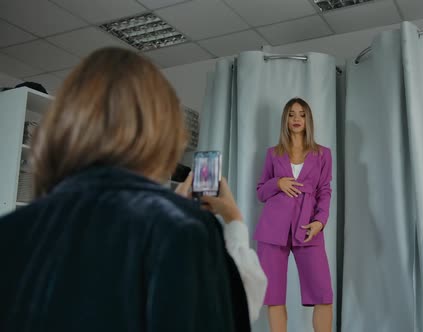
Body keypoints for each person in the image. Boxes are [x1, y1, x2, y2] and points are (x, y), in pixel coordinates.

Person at [0, 47, 266, 332]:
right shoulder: (182, 228)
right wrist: (233, 220)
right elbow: (229, 313)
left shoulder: (10, 231)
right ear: (160, 130)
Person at [255, 98, 333, 332]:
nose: (296, 119)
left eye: (301, 114)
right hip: (273, 229)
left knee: (323, 294)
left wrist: (320, 221)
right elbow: (260, 192)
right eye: (291, 114)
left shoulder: (323, 154)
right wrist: (277, 182)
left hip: (308, 228)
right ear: (285, 120)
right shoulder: (273, 153)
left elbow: (325, 190)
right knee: (274, 296)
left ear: (308, 118)